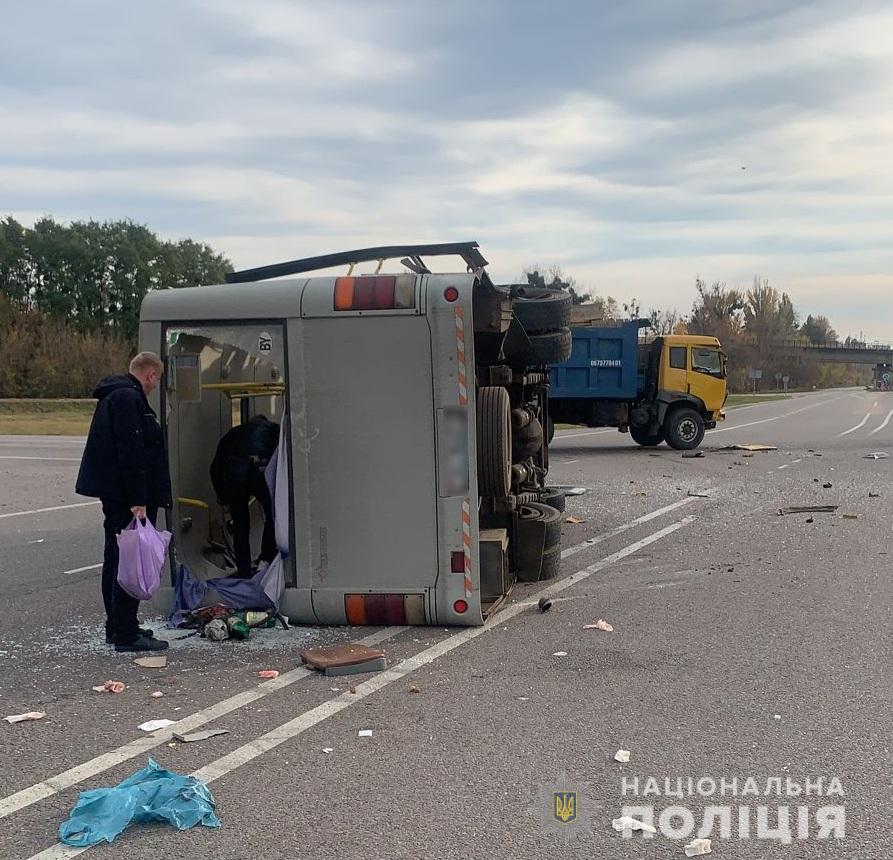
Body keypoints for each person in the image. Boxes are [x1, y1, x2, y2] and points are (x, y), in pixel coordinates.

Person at [76, 352, 172, 652]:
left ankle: (117, 625)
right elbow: (132, 452)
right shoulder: (129, 400)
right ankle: (126, 633)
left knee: (116, 558)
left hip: (115, 493)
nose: (155, 387)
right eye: (156, 380)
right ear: (151, 375)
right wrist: (138, 499)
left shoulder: (113, 396)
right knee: (130, 560)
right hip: (126, 497)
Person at [210, 415, 280, 578]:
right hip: (259, 470)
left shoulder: (233, 434)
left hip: (234, 475)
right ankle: (265, 559)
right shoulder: (272, 429)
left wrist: (222, 496)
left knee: (241, 526)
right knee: (272, 516)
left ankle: (243, 570)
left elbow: (215, 466)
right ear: (264, 421)